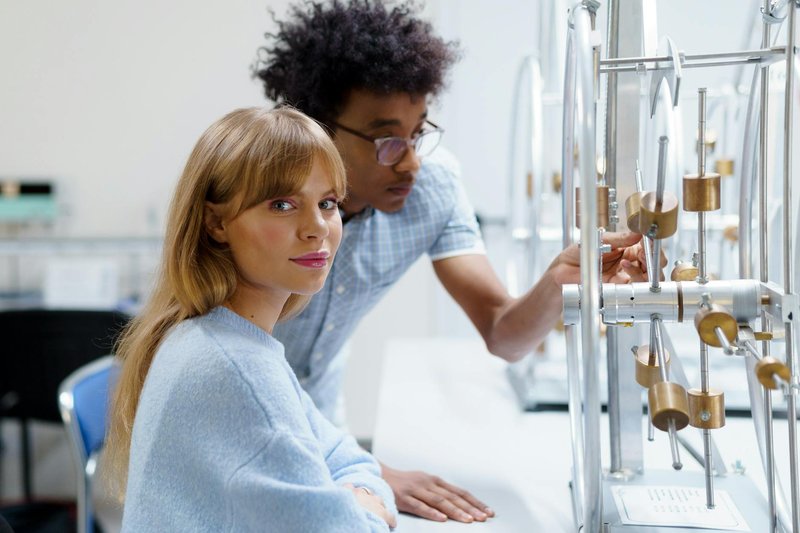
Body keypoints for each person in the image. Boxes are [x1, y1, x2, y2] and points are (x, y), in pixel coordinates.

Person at [254, 0, 661, 524]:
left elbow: (503, 332)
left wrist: (561, 280)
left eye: (418, 133)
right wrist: (366, 468)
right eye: (387, 141)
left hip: (322, 429)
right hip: (237, 425)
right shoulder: (257, 202)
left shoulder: (432, 187)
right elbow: (233, 369)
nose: (410, 161)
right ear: (318, 128)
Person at [105, 107, 397, 532]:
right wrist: (366, 507)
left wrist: (358, 494)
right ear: (216, 223)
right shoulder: (236, 370)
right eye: (282, 204)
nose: (317, 227)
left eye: (328, 203)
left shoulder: (219, 338)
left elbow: (347, 457)